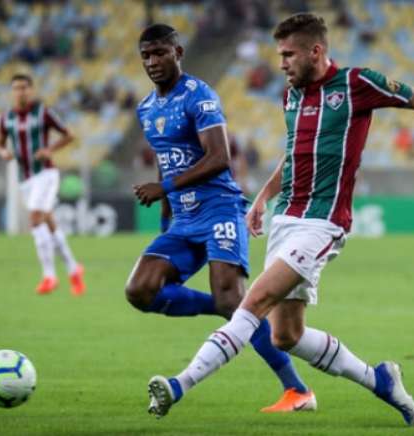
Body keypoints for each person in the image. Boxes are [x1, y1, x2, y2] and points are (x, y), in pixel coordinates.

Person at [144, 13, 414, 426]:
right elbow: (296, 156)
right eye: (279, 55)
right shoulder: (292, 96)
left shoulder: (357, 84)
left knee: (251, 305)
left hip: (323, 223)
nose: (281, 64)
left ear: (315, 51)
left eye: (288, 55)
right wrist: (263, 199)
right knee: (287, 335)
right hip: (286, 219)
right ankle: (380, 379)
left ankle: (178, 385)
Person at [127, 23, 315, 417]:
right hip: (183, 218)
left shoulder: (199, 96)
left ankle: (297, 390)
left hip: (219, 209)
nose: (153, 62)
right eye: (146, 55)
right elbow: (166, 162)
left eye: (160, 53)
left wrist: (165, 188)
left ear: (178, 52)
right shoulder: (146, 108)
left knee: (235, 300)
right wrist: (166, 220)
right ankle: (226, 307)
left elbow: (218, 159)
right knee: (140, 291)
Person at [0, 73, 85, 295]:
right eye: (16, 88)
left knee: (35, 218)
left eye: (25, 87)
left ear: (31, 90)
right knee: (49, 223)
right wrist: (4, 152)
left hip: (45, 173)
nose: (21, 91)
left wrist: (49, 149)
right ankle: (74, 269)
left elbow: (68, 135)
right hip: (24, 178)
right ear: (12, 91)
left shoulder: (43, 113)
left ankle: (49, 276)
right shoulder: (6, 118)